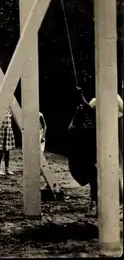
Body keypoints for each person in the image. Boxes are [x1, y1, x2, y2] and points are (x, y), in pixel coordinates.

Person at [68, 88, 123, 218]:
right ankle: (98, 203)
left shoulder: (94, 123)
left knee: (105, 175)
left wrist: (82, 100)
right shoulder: (83, 126)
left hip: (86, 158)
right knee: (99, 177)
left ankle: (113, 205)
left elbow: (92, 114)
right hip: (82, 160)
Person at [0, 108, 15, 176]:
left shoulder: (10, 110)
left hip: (8, 131)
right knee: (1, 150)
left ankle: (7, 169)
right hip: (2, 131)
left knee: (7, 151)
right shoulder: (0, 108)